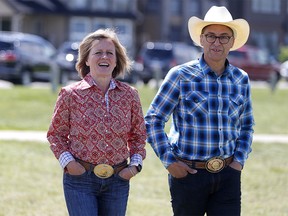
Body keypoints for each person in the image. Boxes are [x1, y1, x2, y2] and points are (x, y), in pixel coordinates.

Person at [145, 6, 254, 216]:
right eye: (211, 36)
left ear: (232, 42)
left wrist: (239, 161)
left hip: (228, 174)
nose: (217, 42)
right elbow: (153, 119)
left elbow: (247, 125)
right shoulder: (180, 75)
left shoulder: (241, 79)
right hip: (188, 175)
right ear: (201, 39)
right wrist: (169, 161)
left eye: (224, 37)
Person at [47, 28, 146, 216]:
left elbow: (139, 136)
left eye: (110, 53)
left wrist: (134, 167)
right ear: (86, 59)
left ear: (116, 60)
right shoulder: (70, 94)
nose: (105, 57)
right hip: (80, 179)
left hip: (118, 179)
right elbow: (55, 135)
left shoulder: (130, 95)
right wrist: (69, 164)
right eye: (98, 52)